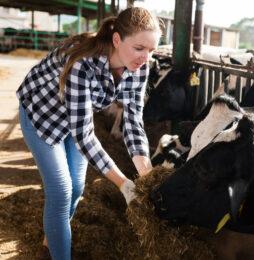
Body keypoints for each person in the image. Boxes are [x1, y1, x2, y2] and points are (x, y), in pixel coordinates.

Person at [16, 7, 161, 260]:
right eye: (139, 48)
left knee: (76, 188)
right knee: (61, 191)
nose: (145, 57)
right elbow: (84, 136)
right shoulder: (83, 64)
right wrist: (123, 185)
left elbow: (132, 122)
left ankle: (48, 247)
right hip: (42, 115)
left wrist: (146, 176)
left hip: (76, 116)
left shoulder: (140, 68)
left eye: (151, 50)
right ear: (117, 40)